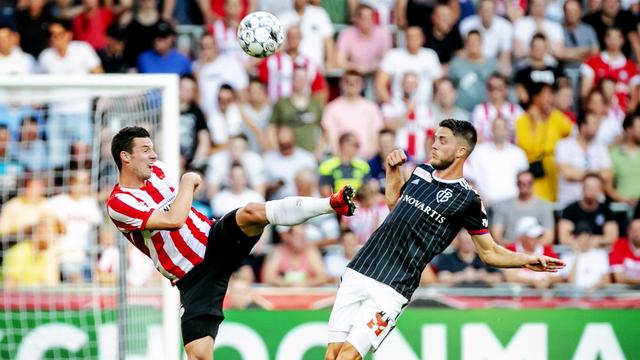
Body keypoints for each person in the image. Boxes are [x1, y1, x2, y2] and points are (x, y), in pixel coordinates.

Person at [106, 126, 356, 359]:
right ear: (125, 157)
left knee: (251, 213)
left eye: (152, 148)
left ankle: (332, 203)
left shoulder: (157, 171)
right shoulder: (120, 203)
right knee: (199, 354)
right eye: (145, 150)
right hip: (193, 277)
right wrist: (187, 181)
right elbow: (174, 220)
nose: (154, 155)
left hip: (212, 239)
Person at [325, 119, 564, 360]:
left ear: (461, 151)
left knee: (348, 356)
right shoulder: (421, 171)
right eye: (435, 139)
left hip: (393, 286)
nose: (434, 145)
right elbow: (394, 205)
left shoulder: (468, 199)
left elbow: (489, 252)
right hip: (361, 268)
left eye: (442, 140)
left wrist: (526, 260)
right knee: (332, 355)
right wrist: (392, 171)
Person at [515, 82, 573, 202]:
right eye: (545, 94)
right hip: (535, 170)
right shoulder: (523, 120)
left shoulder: (556, 116)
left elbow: (571, 132)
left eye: (551, 94)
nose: (550, 98)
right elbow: (528, 147)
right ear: (535, 98)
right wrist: (537, 123)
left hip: (555, 169)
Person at [465, 117, 529, 206]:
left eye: (503, 128)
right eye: (497, 127)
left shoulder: (518, 154)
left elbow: (525, 181)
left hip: (513, 205)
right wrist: (479, 199)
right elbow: (469, 179)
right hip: (485, 205)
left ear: (508, 130)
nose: (500, 131)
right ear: (491, 129)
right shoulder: (478, 152)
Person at [322, 70, 384, 159]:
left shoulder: (372, 108)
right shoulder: (332, 108)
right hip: (340, 159)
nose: (352, 84)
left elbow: (376, 136)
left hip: (367, 159)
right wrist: (340, 158)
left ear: (362, 84)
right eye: (348, 81)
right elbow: (330, 137)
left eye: (356, 81)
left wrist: (368, 157)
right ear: (341, 83)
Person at [555, 112, 612, 206]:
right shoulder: (564, 145)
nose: (597, 127)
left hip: (596, 203)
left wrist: (578, 173)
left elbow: (607, 174)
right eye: (594, 124)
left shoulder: (601, 147)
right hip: (569, 201)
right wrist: (596, 175)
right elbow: (567, 173)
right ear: (583, 126)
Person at [375, 26, 443, 106]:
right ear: (405, 39)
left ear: (423, 39)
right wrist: (392, 106)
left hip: (425, 108)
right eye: (409, 36)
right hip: (398, 107)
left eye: (416, 36)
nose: (413, 39)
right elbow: (380, 84)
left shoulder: (430, 55)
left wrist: (434, 106)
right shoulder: (393, 55)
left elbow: (439, 84)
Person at [580, 27, 640, 113]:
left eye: (617, 38)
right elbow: (584, 93)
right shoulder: (592, 62)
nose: (613, 41)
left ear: (622, 40)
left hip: (622, 115)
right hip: (598, 114)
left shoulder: (631, 67)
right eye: (610, 38)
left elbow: (634, 100)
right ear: (605, 39)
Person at [491, 170, 555, 246]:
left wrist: (528, 248)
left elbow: (548, 238)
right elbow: (496, 235)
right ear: (517, 184)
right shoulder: (503, 206)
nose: (524, 186)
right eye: (521, 183)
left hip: (535, 252)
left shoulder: (544, 206)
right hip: (509, 251)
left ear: (533, 183)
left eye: (528, 183)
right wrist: (513, 248)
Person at [558, 173, 619, 248]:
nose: (591, 190)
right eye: (588, 186)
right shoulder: (570, 210)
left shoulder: (606, 211)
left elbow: (612, 237)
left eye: (595, 187)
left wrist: (596, 240)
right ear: (582, 188)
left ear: (600, 189)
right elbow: (563, 237)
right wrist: (577, 242)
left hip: (599, 250)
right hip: (573, 250)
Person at [503, 217, 563, 289]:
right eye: (532, 236)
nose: (536, 239)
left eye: (537, 236)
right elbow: (508, 277)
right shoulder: (510, 250)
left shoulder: (547, 250)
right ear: (522, 237)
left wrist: (549, 281)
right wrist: (534, 282)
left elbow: (559, 276)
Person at [261, 224, 328, 286]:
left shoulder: (311, 251)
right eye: (297, 236)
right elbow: (267, 278)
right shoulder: (277, 251)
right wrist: (289, 284)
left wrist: (303, 284)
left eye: (303, 236)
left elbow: (322, 278)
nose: (300, 240)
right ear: (287, 236)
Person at [459, 0, 513, 76]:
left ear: (495, 11)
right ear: (478, 11)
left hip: (495, 64)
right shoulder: (466, 24)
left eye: (490, 10)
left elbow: (505, 55)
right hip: (472, 61)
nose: (487, 13)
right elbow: (465, 50)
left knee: (506, 69)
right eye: (484, 10)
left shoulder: (506, 26)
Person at [431, 230, 502, 287]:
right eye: (464, 242)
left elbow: (498, 278)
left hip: (482, 297)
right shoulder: (447, 258)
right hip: (455, 297)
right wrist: (463, 276)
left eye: (469, 242)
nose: (467, 245)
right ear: (458, 242)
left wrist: (483, 276)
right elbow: (442, 278)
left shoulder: (485, 258)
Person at [472, 73, 523, 143]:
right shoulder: (479, 110)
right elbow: (476, 137)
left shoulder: (517, 110)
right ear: (487, 90)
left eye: (499, 87)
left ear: (506, 89)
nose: (495, 90)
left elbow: (520, 137)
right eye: (491, 87)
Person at [318, 133, 371, 197]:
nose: (358, 148)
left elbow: (367, 191)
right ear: (343, 146)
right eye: (355, 145)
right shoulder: (327, 166)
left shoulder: (363, 166)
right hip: (335, 204)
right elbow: (325, 193)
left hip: (359, 204)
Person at [609, 113, 640, 204]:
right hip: (621, 208)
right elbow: (608, 186)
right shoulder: (614, 154)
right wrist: (624, 200)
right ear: (628, 130)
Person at [609, 219, 640, 285]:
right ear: (628, 231)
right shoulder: (619, 245)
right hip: (624, 291)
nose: (637, 233)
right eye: (634, 230)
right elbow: (619, 278)